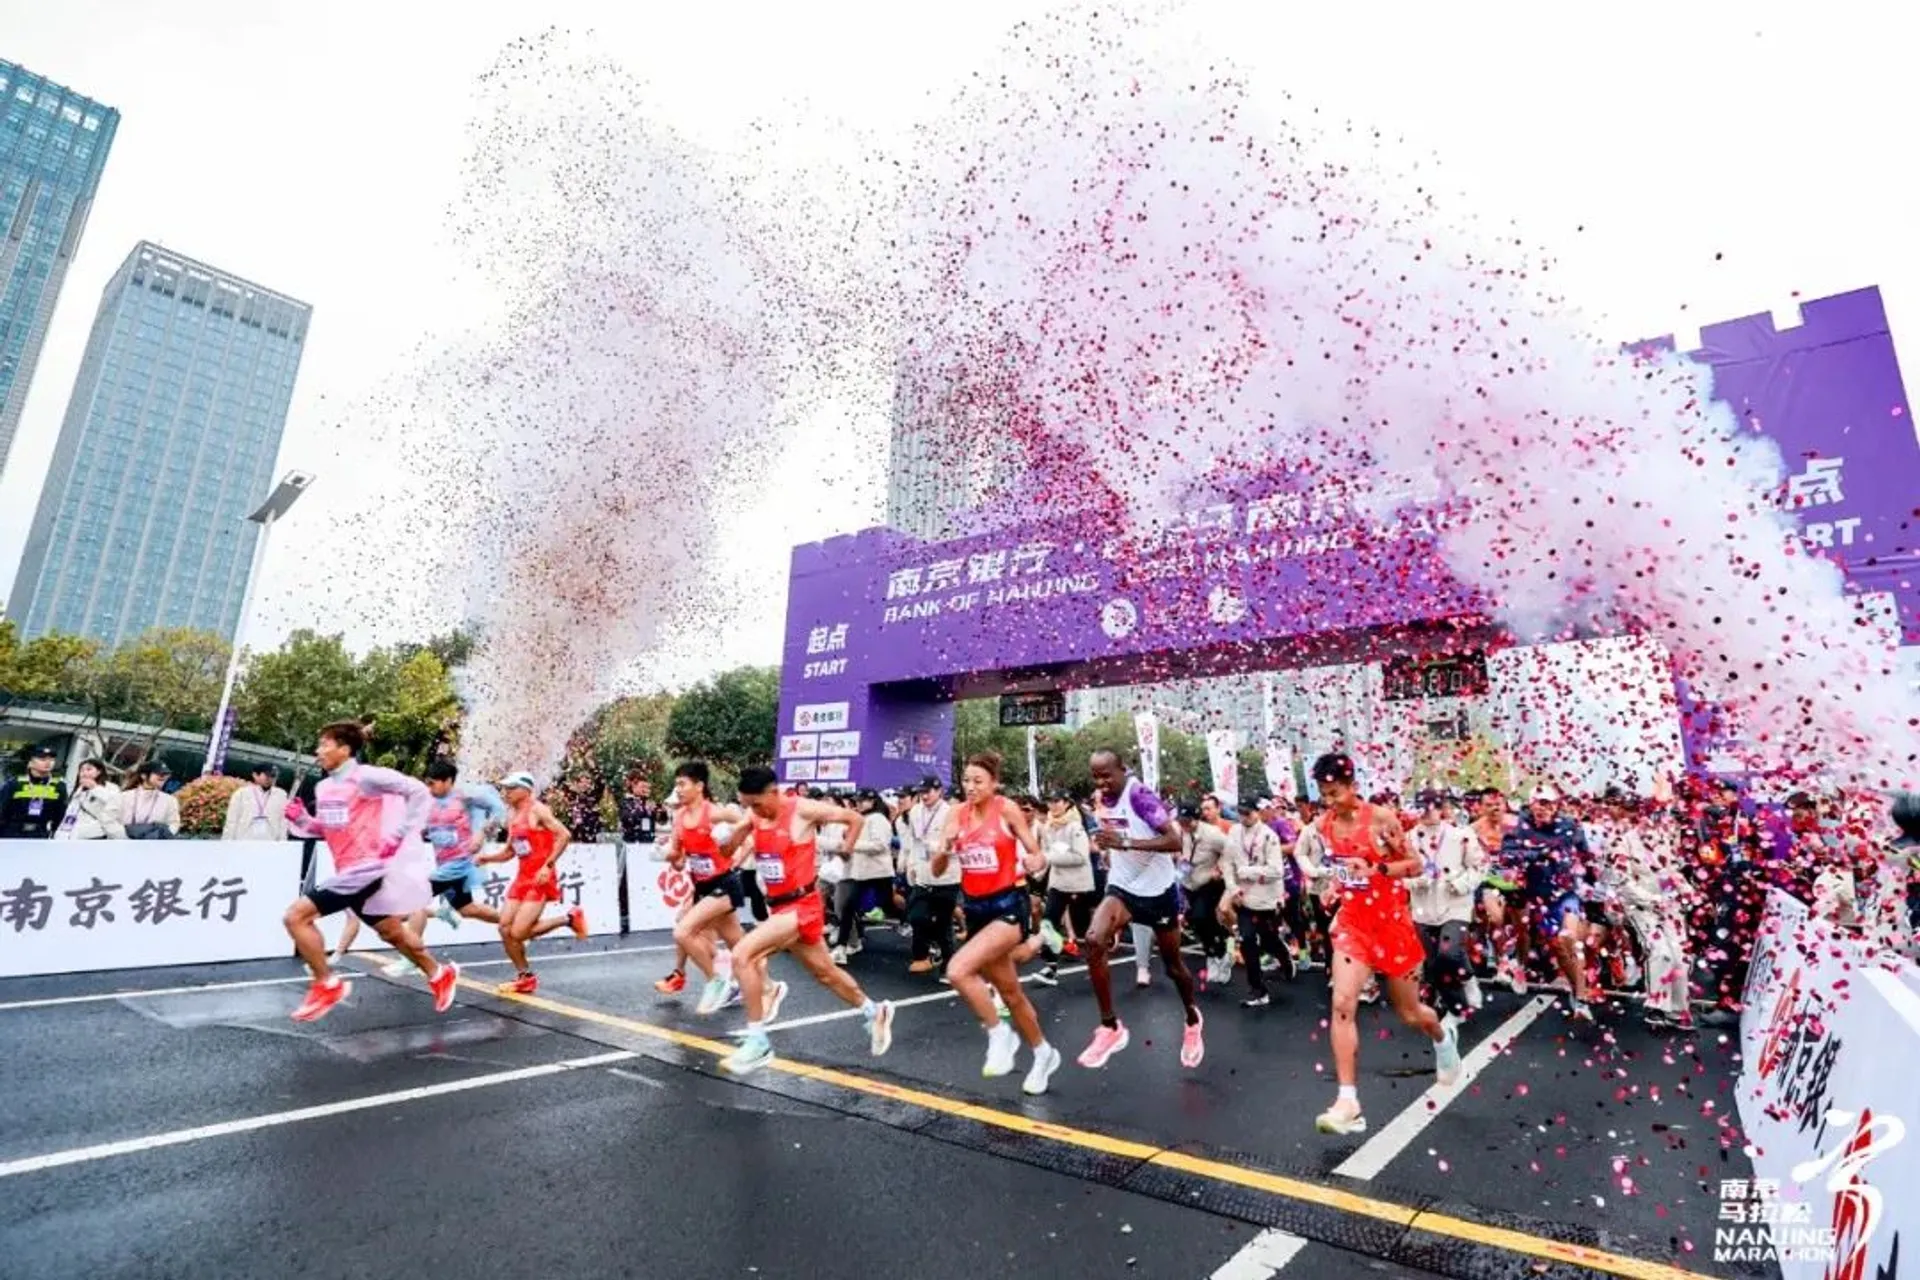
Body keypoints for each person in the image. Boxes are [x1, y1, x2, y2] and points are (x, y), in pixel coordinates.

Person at [1310, 752, 1460, 1136]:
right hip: (1353, 925)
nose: (1329, 802)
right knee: (1343, 1002)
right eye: (1324, 794)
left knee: (1411, 1015)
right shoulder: (1325, 825)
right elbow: (1342, 871)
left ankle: (1443, 1037)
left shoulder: (1380, 819)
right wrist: (1333, 887)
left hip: (1392, 928)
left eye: (1335, 793)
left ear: (1353, 786)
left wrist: (1377, 868)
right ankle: (1348, 1101)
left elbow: (1415, 865)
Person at [714, 767, 894, 1075]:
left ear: (774, 792)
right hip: (779, 908)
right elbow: (728, 851)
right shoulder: (755, 816)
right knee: (826, 974)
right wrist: (727, 838)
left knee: (743, 954)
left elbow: (855, 819)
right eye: (746, 805)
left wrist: (843, 855)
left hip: (802, 905)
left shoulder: (801, 808)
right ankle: (874, 1011)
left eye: (756, 804)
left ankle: (758, 1041)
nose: (752, 811)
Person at [281, 721, 459, 1022]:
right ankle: (439, 973)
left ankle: (327, 984)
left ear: (345, 749)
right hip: (350, 870)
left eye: (325, 744)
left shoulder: (366, 777)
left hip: (367, 869)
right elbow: (326, 829)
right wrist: (302, 821)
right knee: (392, 933)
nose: (318, 750)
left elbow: (417, 791)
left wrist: (400, 833)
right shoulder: (324, 787)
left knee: (296, 917)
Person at [930, 753, 1061, 1093]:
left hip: (1008, 905)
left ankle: (999, 1035)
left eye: (978, 781)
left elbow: (1036, 854)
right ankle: (1044, 1053)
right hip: (975, 909)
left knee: (958, 970)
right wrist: (945, 848)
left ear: (993, 784)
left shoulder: (1006, 809)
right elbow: (937, 870)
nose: (970, 787)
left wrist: (1036, 859)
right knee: (1011, 993)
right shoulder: (955, 815)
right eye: (966, 780)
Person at [1077, 749, 1205, 1071]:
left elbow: (1174, 841)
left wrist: (1126, 843)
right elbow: (1111, 836)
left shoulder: (1141, 796)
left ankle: (1191, 1018)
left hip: (1159, 892)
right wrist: (1104, 846)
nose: (1102, 782)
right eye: (1096, 776)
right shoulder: (1098, 799)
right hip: (1122, 888)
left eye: (1107, 775)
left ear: (1123, 770)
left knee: (1174, 968)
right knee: (1093, 941)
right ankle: (1110, 1027)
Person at [656, 762, 754, 1014]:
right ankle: (766, 986)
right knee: (739, 945)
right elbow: (679, 862)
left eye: (682, 784)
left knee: (683, 930)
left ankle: (716, 980)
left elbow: (749, 827)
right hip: (702, 885)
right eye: (676, 784)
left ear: (699, 786)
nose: (677, 789)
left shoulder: (715, 813)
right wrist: (664, 854)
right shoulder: (678, 819)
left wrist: (734, 850)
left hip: (725, 883)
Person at [1501, 786, 1595, 1021]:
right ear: (1531, 804)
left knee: (1568, 939)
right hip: (1537, 897)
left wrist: (1589, 878)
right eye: (1539, 803)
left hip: (1566, 893)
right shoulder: (1518, 827)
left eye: (1549, 804)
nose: (1543, 808)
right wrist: (1538, 853)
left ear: (1556, 806)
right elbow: (1507, 856)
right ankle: (1574, 990)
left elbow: (1585, 855)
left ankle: (1582, 1001)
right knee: (1559, 950)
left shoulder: (1570, 826)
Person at [484, 772, 577, 994]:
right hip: (522, 878)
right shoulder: (512, 815)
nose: (505, 793)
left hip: (540, 878)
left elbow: (564, 835)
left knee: (518, 933)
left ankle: (569, 919)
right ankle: (525, 976)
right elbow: (509, 852)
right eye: (504, 789)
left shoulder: (538, 809)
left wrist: (548, 866)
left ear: (525, 789)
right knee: (504, 928)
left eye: (510, 788)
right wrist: (486, 858)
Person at [1406, 791, 1483, 1017]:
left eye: (1432, 806)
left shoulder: (1460, 834)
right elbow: (1397, 872)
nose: (1427, 811)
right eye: (1422, 806)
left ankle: (1467, 981)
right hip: (1423, 909)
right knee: (1434, 963)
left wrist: (1460, 884)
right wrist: (1413, 882)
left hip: (1455, 906)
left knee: (1448, 954)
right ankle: (1457, 1007)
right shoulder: (1408, 838)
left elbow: (1479, 867)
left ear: (1442, 808)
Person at [1222, 802, 1293, 1006]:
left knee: (1268, 938)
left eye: (1248, 813)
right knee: (1247, 940)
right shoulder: (1234, 832)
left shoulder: (1269, 836)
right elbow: (1227, 862)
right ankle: (1258, 990)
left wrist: (1248, 871)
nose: (1244, 817)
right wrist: (1232, 887)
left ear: (1258, 812)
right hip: (1244, 898)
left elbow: (1276, 870)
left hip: (1267, 899)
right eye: (1240, 813)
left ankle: (1282, 954)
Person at [1034, 790, 1096, 985]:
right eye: (1050, 801)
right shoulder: (1048, 826)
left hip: (1078, 884)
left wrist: (1050, 858)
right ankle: (1050, 967)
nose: (1053, 805)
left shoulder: (1075, 826)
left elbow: (1080, 856)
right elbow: (1046, 853)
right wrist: (1038, 871)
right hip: (1058, 883)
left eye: (1057, 801)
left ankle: (1097, 966)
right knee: (1048, 923)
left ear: (1066, 803)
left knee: (1086, 930)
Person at [899, 777, 960, 974]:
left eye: (928, 791)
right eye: (921, 791)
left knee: (943, 923)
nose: (924, 795)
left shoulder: (950, 812)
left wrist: (936, 847)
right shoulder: (916, 811)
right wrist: (911, 864)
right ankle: (922, 956)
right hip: (923, 873)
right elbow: (915, 842)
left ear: (939, 791)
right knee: (916, 915)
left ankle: (949, 964)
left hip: (947, 875)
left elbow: (958, 846)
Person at [833, 791, 899, 963]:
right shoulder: (860, 818)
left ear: (873, 801)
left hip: (879, 871)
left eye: (864, 801)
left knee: (888, 906)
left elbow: (880, 845)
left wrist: (852, 845)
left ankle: (909, 922)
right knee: (848, 906)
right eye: (858, 801)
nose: (860, 804)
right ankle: (841, 947)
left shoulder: (878, 819)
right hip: (861, 872)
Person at [1184, 798, 1233, 986]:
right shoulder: (1183, 832)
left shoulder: (1213, 834)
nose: (1183, 825)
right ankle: (1214, 954)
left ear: (1195, 819)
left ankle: (1219, 952)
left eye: (1187, 821)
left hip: (1209, 883)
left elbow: (1231, 850)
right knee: (1197, 922)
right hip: (1189, 882)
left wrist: (1219, 868)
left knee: (1201, 917)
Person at [1, 744, 69, 839]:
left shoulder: (59, 786)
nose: (48, 762)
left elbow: (60, 815)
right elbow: (2, 810)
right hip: (11, 833)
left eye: (51, 759)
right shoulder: (15, 783)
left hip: (40, 834)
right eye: (42, 759)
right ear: (30, 762)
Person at [54, 758, 123, 840]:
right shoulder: (78, 790)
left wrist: (95, 788)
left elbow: (114, 806)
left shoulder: (110, 788)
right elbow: (69, 814)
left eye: (89, 769)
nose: (84, 773)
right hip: (71, 836)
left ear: (99, 772)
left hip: (94, 836)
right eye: (81, 770)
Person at [222, 764, 290, 841]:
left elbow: (283, 822)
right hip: (243, 841)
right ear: (255, 775)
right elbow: (231, 821)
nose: (270, 779)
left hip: (269, 843)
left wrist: (282, 843)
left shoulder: (281, 795)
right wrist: (227, 843)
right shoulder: (242, 793)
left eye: (273, 776)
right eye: (267, 775)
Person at [119, 762, 181, 839]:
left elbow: (174, 823)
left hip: (154, 847)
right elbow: (109, 821)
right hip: (123, 845)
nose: (163, 777)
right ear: (143, 776)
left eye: (166, 774)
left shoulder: (170, 800)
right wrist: (124, 838)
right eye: (159, 773)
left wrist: (159, 836)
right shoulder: (123, 796)